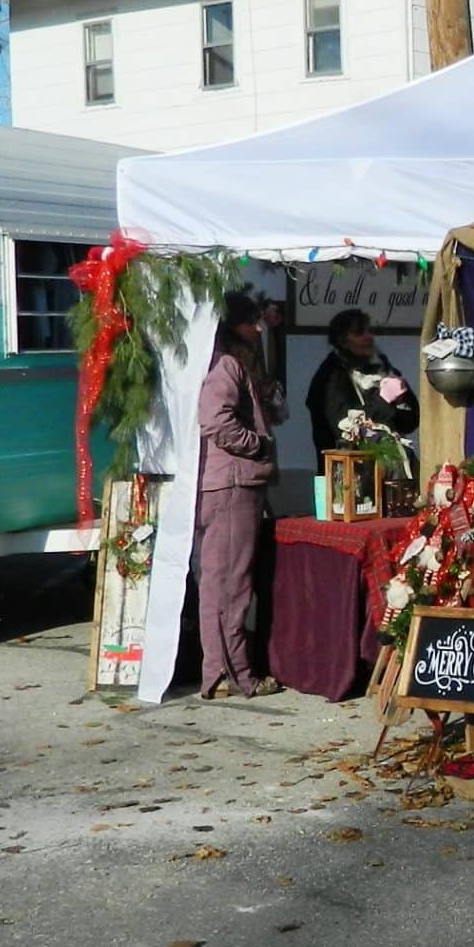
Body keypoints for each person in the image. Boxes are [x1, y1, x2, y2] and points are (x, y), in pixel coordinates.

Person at [196, 292, 286, 699]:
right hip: (232, 483)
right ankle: (234, 675)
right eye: (252, 321)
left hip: (228, 482)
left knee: (221, 582)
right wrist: (257, 445)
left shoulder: (225, 363)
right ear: (234, 325)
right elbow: (215, 421)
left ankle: (220, 672)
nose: (259, 328)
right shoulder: (225, 365)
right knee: (231, 585)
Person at [305, 309, 421, 449]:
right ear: (343, 342)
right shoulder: (331, 375)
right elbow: (344, 427)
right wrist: (383, 399)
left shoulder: (382, 366)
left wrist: (402, 401)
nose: (368, 337)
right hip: (348, 465)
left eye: (369, 331)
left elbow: (410, 423)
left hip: (391, 461)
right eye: (359, 333)